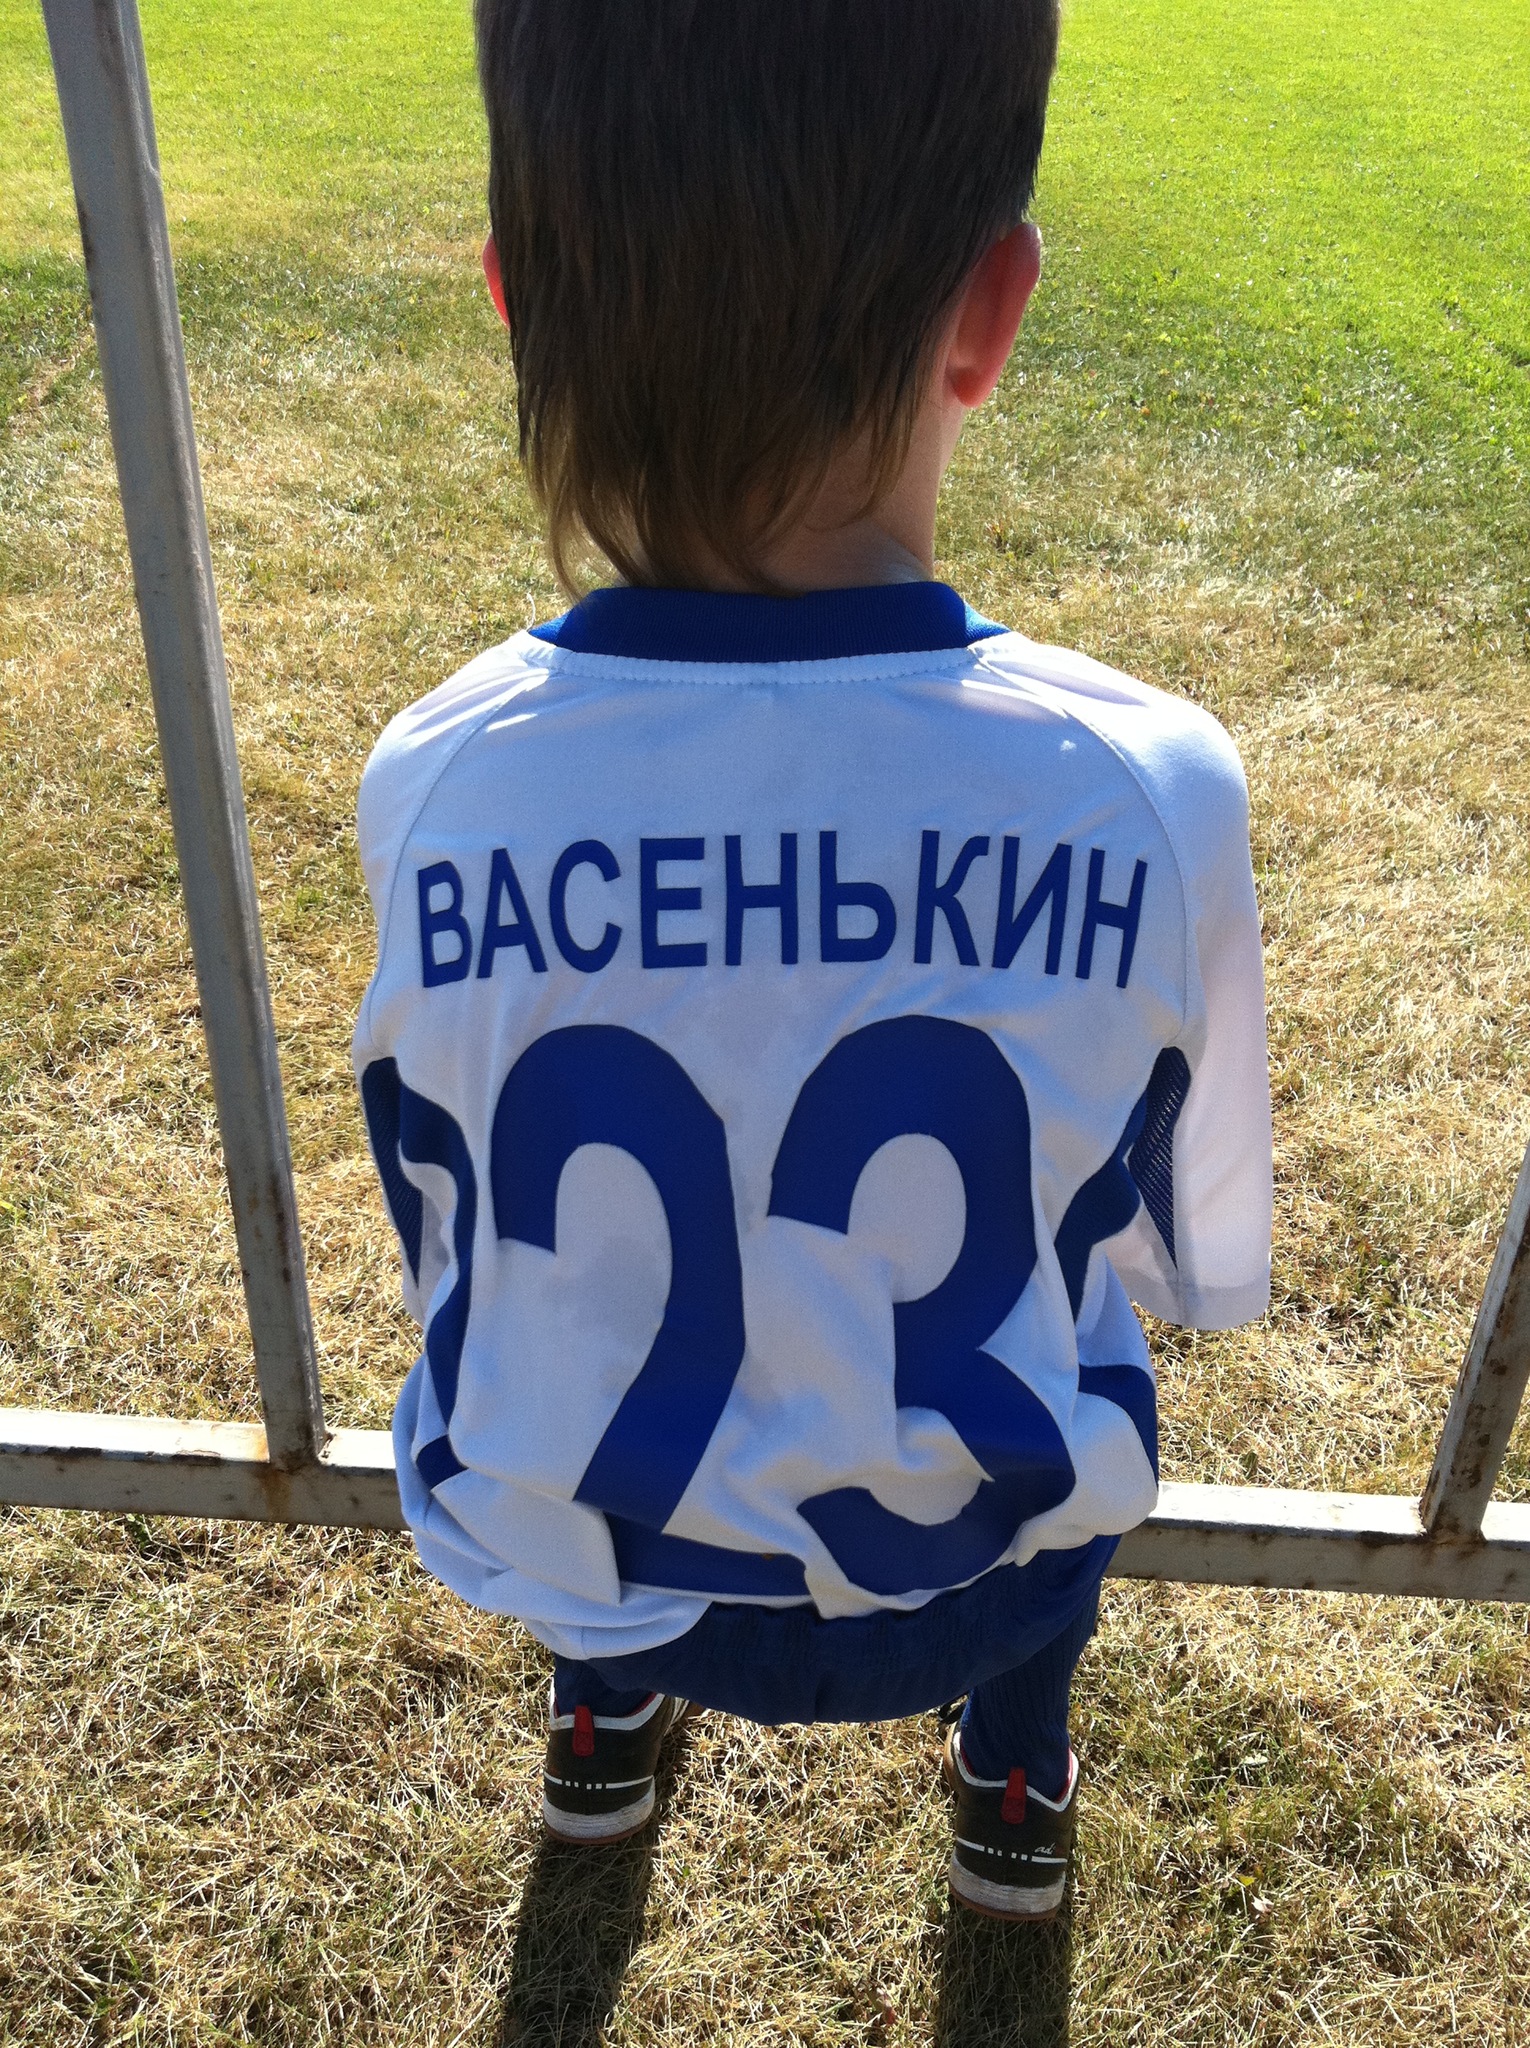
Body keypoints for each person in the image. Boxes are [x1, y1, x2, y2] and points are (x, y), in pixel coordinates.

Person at [352, 0, 1271, 1922]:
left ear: (512, 301)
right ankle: (1012, 1760)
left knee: (579, 1308)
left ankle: (603, 1709)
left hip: (611, 1560)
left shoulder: (435, 779)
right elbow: (1198, 1269)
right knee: (1071, 1356)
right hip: (979, 1575)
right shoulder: (1147, 779)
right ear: (989, 313)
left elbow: (454, 1227)